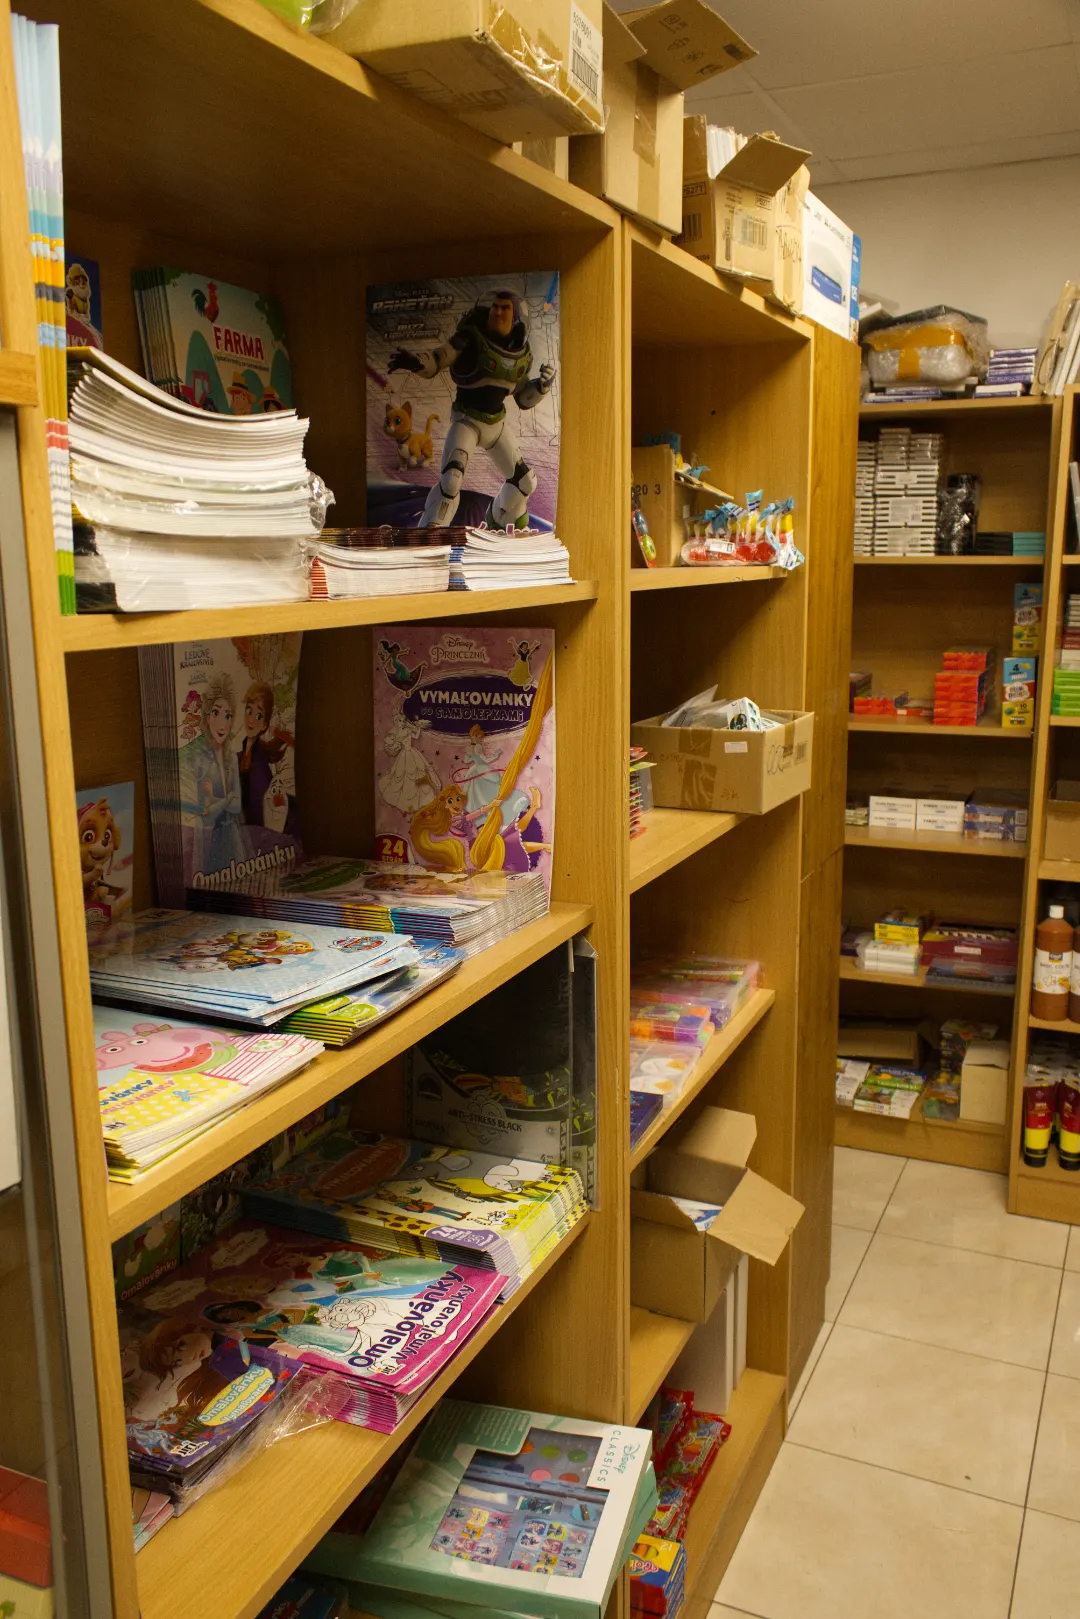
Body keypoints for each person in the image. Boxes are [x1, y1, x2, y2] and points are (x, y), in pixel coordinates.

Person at [388, 288, 555, 529]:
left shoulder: (520, 354)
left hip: (496, 425)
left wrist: (541, 387)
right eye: (495, 307)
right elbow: (438, 359)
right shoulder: (469, 339)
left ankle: (499, 523)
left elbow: (523, 398)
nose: (497, 311)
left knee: (525, 482)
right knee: (452, 481)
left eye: (505, 308)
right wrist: (416, 362)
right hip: (466, 421)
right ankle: (430, 533)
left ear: (515, 315)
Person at [179, 674, 247, 879]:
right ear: (208, 716)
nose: (222, 723)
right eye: (216, 713)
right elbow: (206, 815)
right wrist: (225, 800)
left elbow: (236, 806)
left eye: (228, 716)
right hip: (209, 841)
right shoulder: (198, 759)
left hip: (232, 838)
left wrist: (216, 803)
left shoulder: (231, 759)